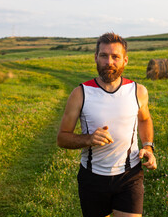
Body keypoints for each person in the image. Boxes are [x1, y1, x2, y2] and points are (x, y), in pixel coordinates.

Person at [57, 32, 157, 217]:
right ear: (95, 57)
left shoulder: (138, 91)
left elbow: (144, 119)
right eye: (103, 56)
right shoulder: (80, 93)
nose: (109, 62)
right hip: (92, 178)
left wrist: (148, 147)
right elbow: (62, 138)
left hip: (130, 176)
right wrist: (88, 139)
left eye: (115, 57)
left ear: (125, 60)